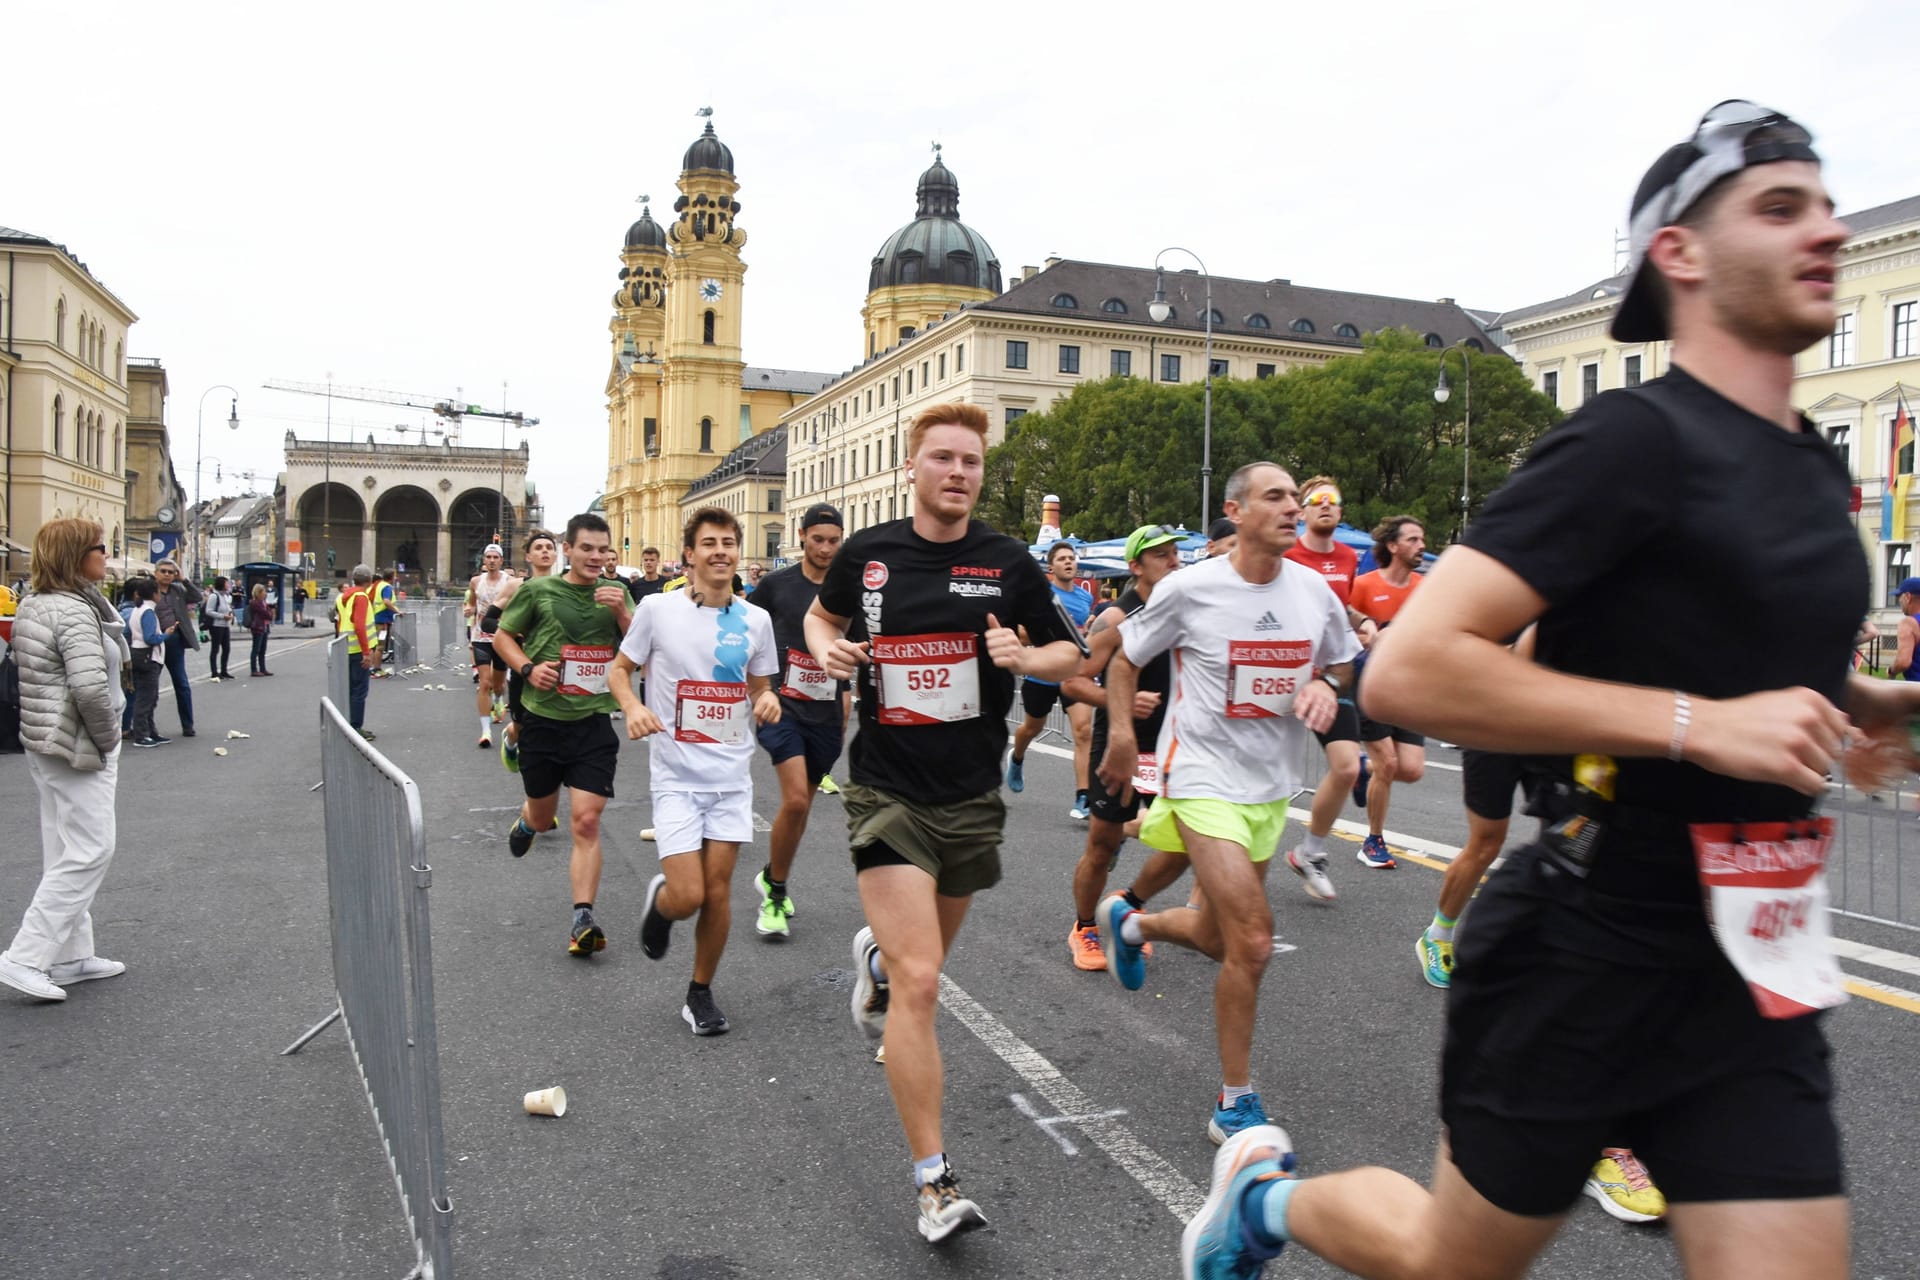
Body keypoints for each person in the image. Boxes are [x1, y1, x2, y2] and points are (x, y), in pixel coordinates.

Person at [1183, 98, 1864, 1280]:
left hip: (1758, 945)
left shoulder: (1811, 461)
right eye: (1782, 206)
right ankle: (1265, 1203)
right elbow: (1416, 666)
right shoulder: (1631, 441)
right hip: (1593, 930)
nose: (1830, 229)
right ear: (1681, 254)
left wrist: (1862, 703)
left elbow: (1725, 651)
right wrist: (1704, 727)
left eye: (1826, 201)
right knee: (1457, 1256)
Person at [805, 401, 1079, 1244]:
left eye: (972, 461)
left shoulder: (1006, 564)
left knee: (919, 968)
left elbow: (1071, 652)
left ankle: (877, 962)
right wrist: (827, 649)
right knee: (923, 984)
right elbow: (823, 616)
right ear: (913, 466)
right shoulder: (870, 554)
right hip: (886, 787)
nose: (959, 472)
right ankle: (935, 1183)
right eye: (944, 458)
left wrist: (1025, 658)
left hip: (970, 795)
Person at [1094, 462, 1358, 1148]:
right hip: (1201, 778)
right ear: (1235, 512)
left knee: (1218, 940)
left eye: (1296, 498)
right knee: (1256, 938)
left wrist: (1328, 685)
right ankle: (1234, 1103)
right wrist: (1122, 736)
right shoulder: (1190, 588)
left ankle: (1134, 926)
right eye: (1276, 497)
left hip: (1271, 786)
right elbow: (1124, 660)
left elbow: (1342, 660)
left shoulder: (1313, 591)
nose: (1292, 507)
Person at [617, 508, 779, 1034]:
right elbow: (620, 672)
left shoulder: (755, 620)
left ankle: (700, 992)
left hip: (731, 776)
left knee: (718, 891)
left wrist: (767, 699)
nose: (720, 551)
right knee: (688, 896)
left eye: (729, 542)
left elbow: (759, 685)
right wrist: (633, 707)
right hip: (676, 776)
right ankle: (664, 907)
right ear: (688, 555)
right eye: (708, 543)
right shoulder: (657, 610)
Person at [490, 515, 632, 958]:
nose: (596, 557)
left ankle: (582, 918)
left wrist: (622, 614)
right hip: (543, 720)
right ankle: (528, 820)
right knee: (542, 813)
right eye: (586, 548)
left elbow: (641, 648)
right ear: (567, 549)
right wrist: (530, 668)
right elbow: (502, 638)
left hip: (592, 723)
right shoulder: (538, 591)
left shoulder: (618, 594)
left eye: (603, 550)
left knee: (586, 821)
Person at [1, 519, 131, 1001]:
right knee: (91, 849)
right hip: (78, 742)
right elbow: (91, 689)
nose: (106, 553)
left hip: (46, 738)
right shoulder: (75, 612)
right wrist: (108, 737)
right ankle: (25, 956)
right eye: (100, 547)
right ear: (77, 556)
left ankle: (72, 954)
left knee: (64, 846)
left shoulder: (37, 603)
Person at [1059, 524, 1185, 970]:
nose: (1174, 561)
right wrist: (1124, 702)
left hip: (1174, 748)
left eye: (1176, 553)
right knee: (1103, 844)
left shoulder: (1187, 612)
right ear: (1136, 566)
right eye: (1162, 555)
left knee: (1190, 841)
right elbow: (1073, 681)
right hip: (1123, 745)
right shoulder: (1118, 618)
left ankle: (1128, 903)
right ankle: (1085, 927)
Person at [744, 503, 848, 938]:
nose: (825, 549)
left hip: (828, 708)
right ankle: (775, 894)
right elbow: (744, 626)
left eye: (833, 541)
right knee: (797, 801)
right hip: (781, 705)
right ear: (802, 535)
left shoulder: (848, 589)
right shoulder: (775, 585)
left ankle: (773, 874)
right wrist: (756, 687)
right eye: (818, 539)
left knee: (799, 808)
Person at [1279, 476, 1366, 900]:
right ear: (1303, 511)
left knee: (1348, 766)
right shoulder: (1286, 553)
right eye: (1317, 500)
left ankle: (1310, 852)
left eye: (1334, 499)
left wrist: (1361, 622)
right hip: (1281, 674)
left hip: (1332, 677)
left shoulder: (1350, 556)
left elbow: (1339, 607)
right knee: (1268, 778)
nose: (1326, 506)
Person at [1348, 515, 1429, 870]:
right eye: (1413, 540)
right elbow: (1343, 629)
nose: (1421, 546)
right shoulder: (1364, 585)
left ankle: (1359, 768)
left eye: (1422, 539)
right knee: (1389, 764)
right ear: (1393, 546)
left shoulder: (1424, 588)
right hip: (1372, 685)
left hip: (1410, 688)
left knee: (1410, 770)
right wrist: (1366, 636)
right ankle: (1373, 841)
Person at [1006, 541, 1096, 818]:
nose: (1069, 562)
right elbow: (1022, 633)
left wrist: (1087, 634)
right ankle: (1017, 757)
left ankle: (1083, 796)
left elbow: (1083, 635)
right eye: (1062, 559)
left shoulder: (1084, 598)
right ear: (1051, 566)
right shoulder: (1042, 596)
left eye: (1072, 558)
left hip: (1074, 674)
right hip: (1044, 673)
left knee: (1082, 731)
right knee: (1031, 727)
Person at [497, 530, 561, 773]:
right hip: (523, 666)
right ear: (528, 556)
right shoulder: (516, 587)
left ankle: (536, 803)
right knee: (521, 725)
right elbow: (490, 620)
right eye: (539, 548)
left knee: (543, 741)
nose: (545, 551)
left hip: (553, 669)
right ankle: (511, 736)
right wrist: (519, 631)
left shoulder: (564, 586)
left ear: (556, 555)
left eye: (549, 547)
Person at [467, 543, 518, 749]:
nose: (491, 561)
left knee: (498, 684)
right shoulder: (476, 581)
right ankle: (485, 731)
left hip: (500, 637)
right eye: (488, 557)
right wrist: (469, 609)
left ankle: (498, 699)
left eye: (495, 557)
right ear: (483, 560)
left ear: (501, 561)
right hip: (480, 636)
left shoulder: (511, 582)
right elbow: (471, 602)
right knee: (484, 683)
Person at [150, 559, 202, 738]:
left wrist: (184, 580)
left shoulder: (178, 590)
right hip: (154, 641)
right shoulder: (149, 590)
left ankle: (188, 725)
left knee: (182, 683)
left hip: (175, 641)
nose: (167, 575)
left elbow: (198, 597)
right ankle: (147, 725)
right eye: (163, 571)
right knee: (150, 685)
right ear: (156, 573)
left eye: (170, 572)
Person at [120, 578, 168, 746]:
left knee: (148, 696)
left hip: (138, 655)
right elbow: (150, 638)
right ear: (154, 594)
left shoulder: (136, 609)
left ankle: (151, 732)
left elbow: (127, 633)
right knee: (146, 698)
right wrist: (166, 634)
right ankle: (142, 735)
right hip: (148, 657)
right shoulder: (148, 611)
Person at [333, 565, 378, 740]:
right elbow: (359, 625)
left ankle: (348, 723)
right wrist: (367, 652)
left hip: (346, 647)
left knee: (350, 689)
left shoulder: (343, 597)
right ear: (369, 581)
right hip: (358, 649)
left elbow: (339, 622)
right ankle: (355, 727)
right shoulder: (361, 597)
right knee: (359, 690)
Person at [202, 574, 235, 680]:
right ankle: (214, 672)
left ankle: (224, 670)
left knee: (226, 649)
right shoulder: (214, 596)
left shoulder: (225, 596)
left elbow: (227, 608)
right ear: (222, 584)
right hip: (216, 625)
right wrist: (222, 616)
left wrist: (230, 615)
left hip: (225, 626)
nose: (228, 585)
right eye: (227, 583)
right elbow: (209, 611)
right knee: (215, 649)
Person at [1890, 576, 1920, 678]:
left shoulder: (1909, 623)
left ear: (1908, 596)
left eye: (1899, 596)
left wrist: (1891, 671)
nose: (1899, 601)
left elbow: (1903, 662)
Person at [372, 570, 399, 675]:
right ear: (391, 577)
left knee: (378, 645)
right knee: (380, 646)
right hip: (383, 620)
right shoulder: (387, 587)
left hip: (379, 617)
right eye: (395, 576)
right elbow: (386, 601)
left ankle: (375, 668)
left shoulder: (379, 585)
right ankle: (377, 669)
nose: (396, 578)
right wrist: (398, 611)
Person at [246, 584, 274, 675]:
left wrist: (269, 612)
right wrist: (269, 612)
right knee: (256, 649)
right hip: (258, 627)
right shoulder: (255, 603)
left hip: (264, 626)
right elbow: (266, 614)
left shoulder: (263, 602)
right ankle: (253, 670)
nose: (265, 593)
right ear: (258, 593)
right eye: (263, 592)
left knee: (263, 649)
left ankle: (263, 668)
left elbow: (269, 613)